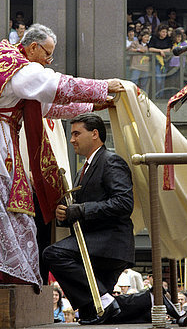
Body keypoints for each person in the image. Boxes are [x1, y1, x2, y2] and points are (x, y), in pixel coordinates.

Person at [0, 24, 123, 290]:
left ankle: (13, 274)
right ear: (32, 47)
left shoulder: (11, 62)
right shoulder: (16, 66)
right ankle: (8, 276)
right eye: (48, 54)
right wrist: (102, 87)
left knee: (18, 215)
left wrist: (91, 105)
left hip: (1, 145)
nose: (48, 61)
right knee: (12, 214)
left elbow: (48, 105)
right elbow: (56, 85)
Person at [43, 113, 136, 325]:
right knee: (93, 313)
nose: (72, 139)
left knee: (53, 254)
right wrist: (65, 215)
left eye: (77, 133)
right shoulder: (81, 171)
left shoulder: (111, 162)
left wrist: (79, 210)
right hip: (95, 242)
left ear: (95, 134)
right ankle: (146, 303)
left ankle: (107, 303)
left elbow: (123, 203)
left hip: (109, 242)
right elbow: (81, 211)